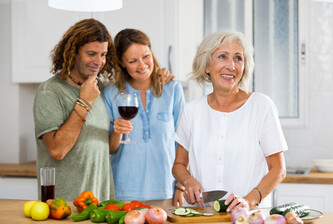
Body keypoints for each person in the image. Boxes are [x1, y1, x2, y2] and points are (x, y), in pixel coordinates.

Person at [33, 19, 173, 202]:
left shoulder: (101, 89)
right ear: (72, 52)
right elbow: (57, 150)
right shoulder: (50, 91)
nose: (99, 62)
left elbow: (106, 146)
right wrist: (83, 102)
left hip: (101, 201)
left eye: (104, 54)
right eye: (91, 54)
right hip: (65, 204)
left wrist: (159, 74)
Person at [172, 30, 288, 211]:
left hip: (250, 218)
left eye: (238, 58)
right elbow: (179, 165)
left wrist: (249, 200)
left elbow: (278, 170)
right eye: (222, 56)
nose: (231, 66)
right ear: (206, 66)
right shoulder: (192, 111)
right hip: (203, 216)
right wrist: (188, 181)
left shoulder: (262, 106)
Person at [103, 28, 185, 203]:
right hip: (125, 192)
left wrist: (181, 185)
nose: (142, 65)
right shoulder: (111, 94)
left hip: (166, 190)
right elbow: (109, 149)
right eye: (133, 61)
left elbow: (184, 142)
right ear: (122, 63)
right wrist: (117, 131)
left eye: (146, 56)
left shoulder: (172, 89)